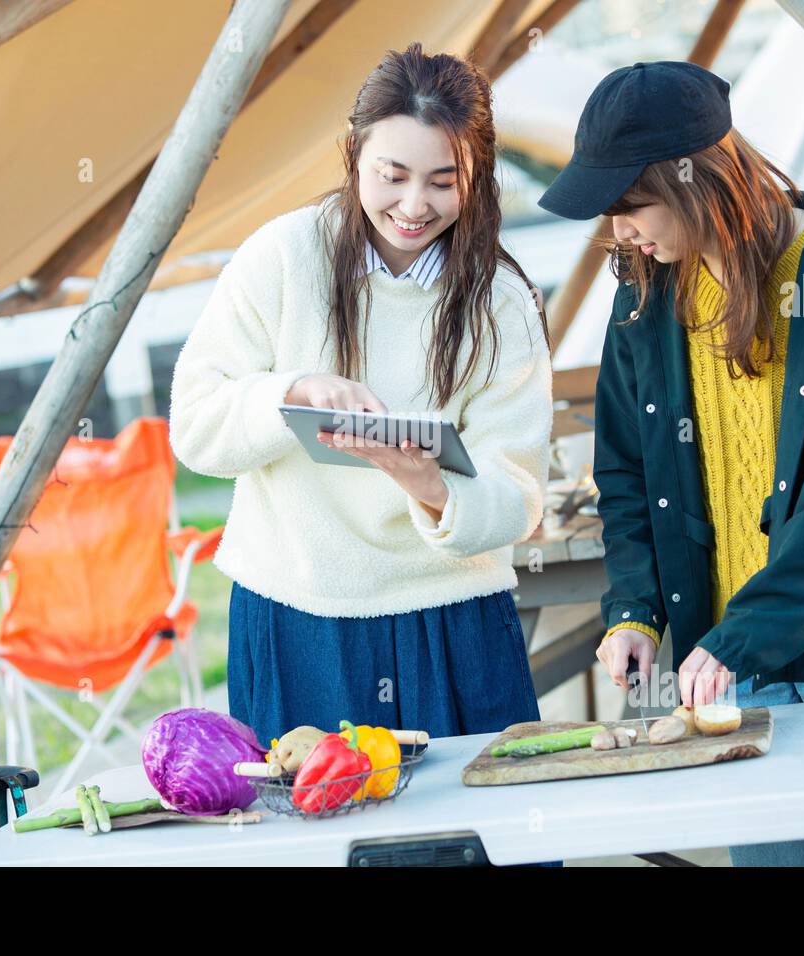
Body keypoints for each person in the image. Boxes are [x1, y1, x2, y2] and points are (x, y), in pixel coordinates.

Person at [539, 62, 804, 866]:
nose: (620, 232)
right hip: (723, 657)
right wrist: (633, 610)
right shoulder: (644, 292)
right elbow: (623, 472)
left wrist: (741, 638)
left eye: (631, 205)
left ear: (697, 182)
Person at [170, 44, 551, 745]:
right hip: (295, 613)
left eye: (443, 181)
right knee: (311, 835)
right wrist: (291, 392)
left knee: (477, 843)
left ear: (479, 175)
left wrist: (433, 487)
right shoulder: (281, 257)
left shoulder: (502, 302)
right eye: (393, 175)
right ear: (354, 157)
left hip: (452, 615)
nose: (414, 206)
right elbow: (196, 428)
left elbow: (521, 493)